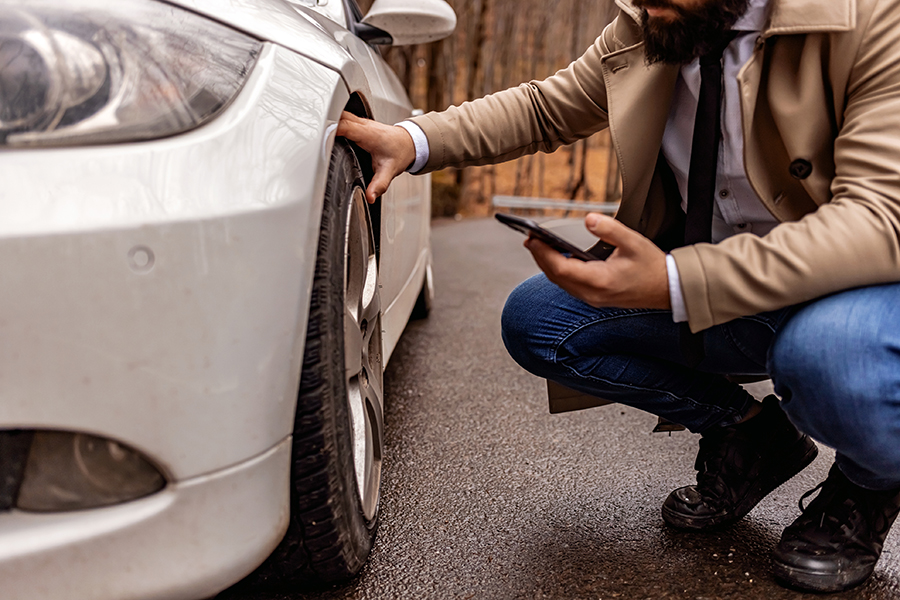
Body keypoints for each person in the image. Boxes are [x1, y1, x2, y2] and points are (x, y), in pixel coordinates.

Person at [337, 0, 900, 592]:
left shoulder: (867, 18)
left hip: (850, 295)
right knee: (540, 321)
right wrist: (412, 137)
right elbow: (542, 108)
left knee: (831, 359)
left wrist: (679, 281)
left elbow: (882, 220)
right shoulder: (652, 22)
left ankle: (868, 484)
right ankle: (752, 436)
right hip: (725, 297)